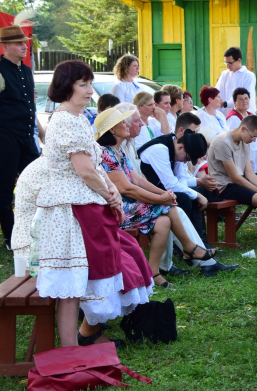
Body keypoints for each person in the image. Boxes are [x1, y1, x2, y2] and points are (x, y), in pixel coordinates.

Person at [15, 60, 153, 348]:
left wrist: (111, 194)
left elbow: (95, 167)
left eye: (90, 84)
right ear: (66, 87)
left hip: (82, 206)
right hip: (69, 211)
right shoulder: (65, 120)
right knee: (72, 285)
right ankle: (71, 348)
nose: (90, 90)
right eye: (83, 84)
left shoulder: (77, 119)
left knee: (75, 286)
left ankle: (74, 346)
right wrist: (110, 194)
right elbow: (85, 170)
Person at [96, 108, 232, 285]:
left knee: (165, 221)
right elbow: (126, 189)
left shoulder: (118, 150)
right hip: (116, 210)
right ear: (112, 129)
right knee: (171, 205)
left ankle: (153, 273)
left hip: (128, 205)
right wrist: (161, 199)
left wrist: (162, 194)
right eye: (123, 122)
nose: (128, 124)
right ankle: (190, 248)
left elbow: (137, 178)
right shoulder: (106, 152)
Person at [0, 23, 39, 249]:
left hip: (26, 139)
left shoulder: (25, 70)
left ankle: (35, 232)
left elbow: (29, 106)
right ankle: (10, 238)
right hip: (3, 139)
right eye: (18, 43)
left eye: (24, 42)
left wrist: (41, 133)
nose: (24, 46)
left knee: (38, 185)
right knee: (4, 190)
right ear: (5, 46)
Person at [138, 112, 218, 240]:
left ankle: (200, 241)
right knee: (185, 198)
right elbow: (171, 184)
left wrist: (197, 190)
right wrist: (198, 196)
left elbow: (181, 180)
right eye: (187, 158)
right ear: (182, 147)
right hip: (148, 193)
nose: (186, 161)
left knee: (193, 193)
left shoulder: (177, 149)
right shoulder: (160, 149)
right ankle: (185, 245)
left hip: (163, 191)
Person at [216, 46, 256, 116]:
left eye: (230, 63)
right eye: (226, 63)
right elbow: (218, 92)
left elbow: (244, 96)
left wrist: (226, 103)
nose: (227, 66)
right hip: (226, 114)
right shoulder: (224, 74)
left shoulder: (248, 75)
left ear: (239, 60)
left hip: (243, 115)